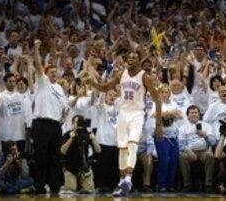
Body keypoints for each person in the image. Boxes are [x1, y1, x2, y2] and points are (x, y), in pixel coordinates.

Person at [89, 51, 162, 197]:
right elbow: (105, 88)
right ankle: (121, 183)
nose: (130, 60)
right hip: (123, 113)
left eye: (134, 58)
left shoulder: (144, 77)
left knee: (132, 145)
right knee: (122, 149)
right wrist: (92, 83)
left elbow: (158, 99)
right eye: (128, 58)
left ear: (139, 61)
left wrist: (159, 124)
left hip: (137, 113)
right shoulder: (121, 74)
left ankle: (128, 179)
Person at [31, 39, 68, 193]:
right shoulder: (43, 82)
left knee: (55, 156)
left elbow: (64, 107)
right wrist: (36, 49)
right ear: (45, 74)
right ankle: (39, 185)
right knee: (41, 155)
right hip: (41, 123)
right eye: (51, 72)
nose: (54, 73)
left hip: (55, 126)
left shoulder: (59, 88)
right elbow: (38, 65)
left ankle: (54, 185)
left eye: (55, 72)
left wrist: (63, 118)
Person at [60, 114, 101, 194]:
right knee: (71, 189)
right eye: (75, 122)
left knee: (89, 189)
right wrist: (71, 139)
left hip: (84, 167)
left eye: (79, 123)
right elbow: (62, 151)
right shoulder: (67, 134)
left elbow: (98, 150)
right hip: (70, 168)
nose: (77, 125)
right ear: (72, 124)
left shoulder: (87, 134)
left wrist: (93, 139)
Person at [179, 105, 216, 192]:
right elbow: (180, 144)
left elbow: (213, 142)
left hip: (204, 151)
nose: (194, 114)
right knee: (182, 157)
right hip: (190, 151)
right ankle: (187, 185)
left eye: (196, 113)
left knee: (210, 156)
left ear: (199, 115)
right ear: (187, 116)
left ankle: (208, 185)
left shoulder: (206, 126)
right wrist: (188, 151)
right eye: (192, 113)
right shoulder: (183, 128)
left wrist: (205, 135)